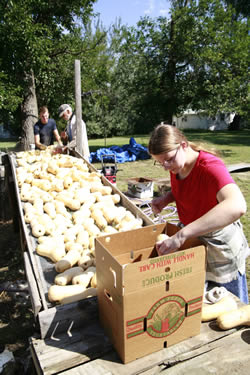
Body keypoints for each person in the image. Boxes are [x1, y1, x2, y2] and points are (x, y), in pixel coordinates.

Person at [149, 123, 249, 303]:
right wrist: (166, 199)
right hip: (196, 240)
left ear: (184, 146)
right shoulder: (177, 166)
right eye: (160, 162)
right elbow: (190, 188)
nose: (165, 166)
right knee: (202, 302)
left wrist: (181, 235)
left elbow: (237, 205)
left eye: (169, 159)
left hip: (220, 247)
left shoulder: (209, 166)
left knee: (231, 304)